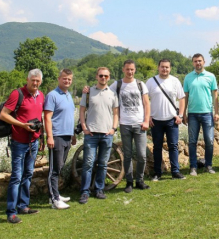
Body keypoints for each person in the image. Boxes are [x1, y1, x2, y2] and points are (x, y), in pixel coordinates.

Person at [0, 69, 45, 224]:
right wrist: (22, 125)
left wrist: (38, 133)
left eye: (38, 80)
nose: (35, 83)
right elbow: (3, 114)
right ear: (27, 79)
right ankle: (11, 212)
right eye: (33, 80)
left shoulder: (41, 96)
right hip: (19, 141)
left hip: (33, 141)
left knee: (28, 175)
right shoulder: (17, 94)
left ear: (41, 81)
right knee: (16, 177)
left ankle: (23, 206)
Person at [79, 67, 119, 203]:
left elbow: (115, 113)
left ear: (109, 77)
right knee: (88, 164)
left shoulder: (112, 93)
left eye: (106, 76)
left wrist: (113, 128)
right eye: (101, 76)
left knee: (102, 164)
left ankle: (99, 189)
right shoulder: (88, 92)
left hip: (107, 134)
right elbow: (82, 110)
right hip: (91, 133)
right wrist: (84, 127)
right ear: (96, 76)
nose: (103, 78)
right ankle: (85, 192)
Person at [110, 60, 151, 192]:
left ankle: (139, 180)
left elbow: (146, 104)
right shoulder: (117, 84)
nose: (130, 72)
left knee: (142, 155)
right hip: (125, 124)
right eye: (127, 69)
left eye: (132, 69)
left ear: (135, 70)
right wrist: (89, 90)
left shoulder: (140, 84)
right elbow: (104, 91)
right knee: (127, 155)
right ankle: (129, 182)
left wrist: (146, 121)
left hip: (139, 124)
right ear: (123, 69)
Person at [146, 59, 186, 180]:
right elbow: (144, 99)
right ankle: (158, 173)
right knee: (157, 147)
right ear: (158, 68)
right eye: (162, 67)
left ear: (170, 68)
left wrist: (180, 115)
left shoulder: (175, 81)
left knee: (173, 146)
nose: (165, 69)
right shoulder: (151, 82)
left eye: (167, 67)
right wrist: (147, 116)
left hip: (171, 119)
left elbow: (182, 98)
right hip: (156, 120)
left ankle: (175, 171)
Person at [44, 69, 76, 210]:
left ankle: (56, 194)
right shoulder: (52, 95)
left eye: (69, 79)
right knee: (54, 169)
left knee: (60, 166)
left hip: (67, 136)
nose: (67, 81)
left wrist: (73, 134)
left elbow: (69, 117)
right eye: (64, 79)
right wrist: (49, 136)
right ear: (59, 79)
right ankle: (54, 199)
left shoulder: (69, 96)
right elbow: (47, 117)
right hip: (56, 136)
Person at [183, 53, 219, 176]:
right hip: (192, 114)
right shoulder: (188, 77)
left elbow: (215, 96)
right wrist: (184, 113)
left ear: (204, 62)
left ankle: (208, 165)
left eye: (200, 61)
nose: (198, 63)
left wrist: (217, 113)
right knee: (192, 141)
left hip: (207, 114)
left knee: (209, 141)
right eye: (195, 61)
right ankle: (193, 166)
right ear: (192, 63)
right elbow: (185, 96)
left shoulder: (210, 76)